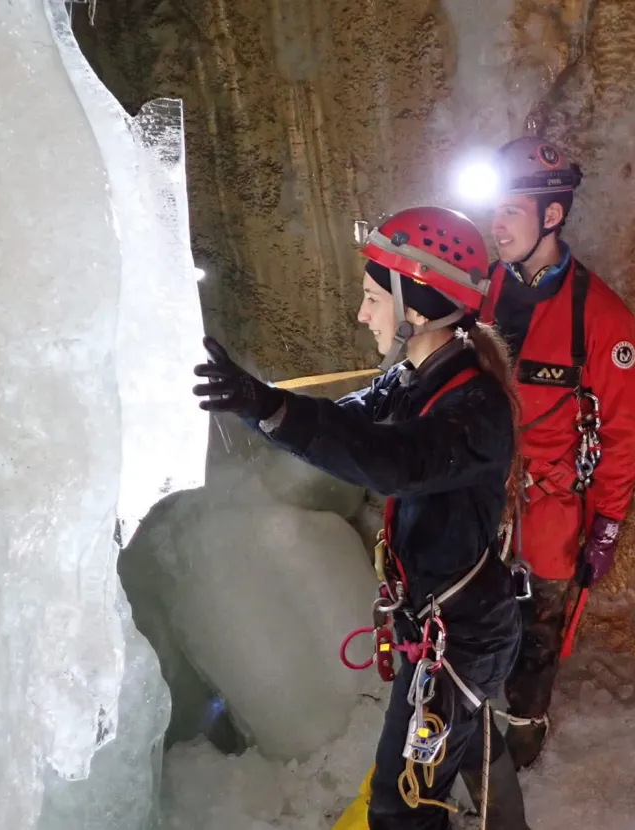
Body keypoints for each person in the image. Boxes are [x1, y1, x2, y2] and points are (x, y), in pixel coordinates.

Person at [190, 205, 531, 830]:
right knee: (462, 739)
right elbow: (348, 424)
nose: (361, 314)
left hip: (458, 636)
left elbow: (392, 462)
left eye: (374, 299)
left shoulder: (476, 408)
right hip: (444, 627)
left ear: (417, 310)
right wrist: (260, 406)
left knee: (400, 808)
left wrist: (269, 408)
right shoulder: (412, 379)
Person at [478, 136, 635, 769]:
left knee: (538, 629)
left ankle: (524, 728)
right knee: (467, 613)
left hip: (548, 506)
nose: (496, 225)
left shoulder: (601, 317)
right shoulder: (479, 293)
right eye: (494, 210)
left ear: (552, 215)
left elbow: (622, 431)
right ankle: (465, 714)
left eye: (511, 211)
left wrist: (607, 525)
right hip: (479, 490)